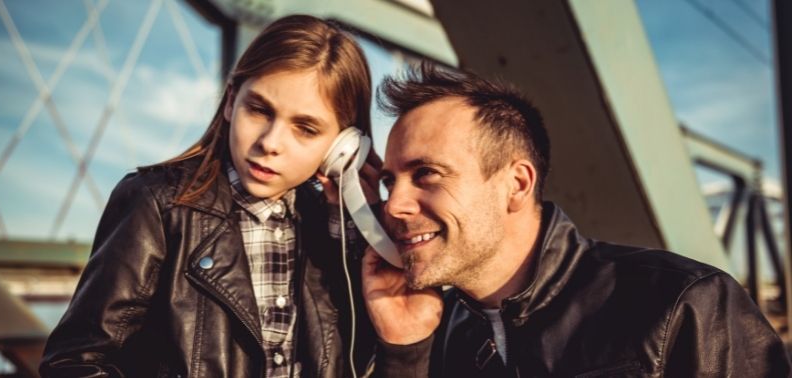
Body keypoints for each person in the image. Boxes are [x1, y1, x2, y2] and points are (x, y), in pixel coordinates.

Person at [362, 63, 791, 377]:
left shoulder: (682, 303)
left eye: (427, 175)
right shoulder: (428, 336)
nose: (394, 205)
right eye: (388, 182)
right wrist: (405, 355)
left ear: (516, 183)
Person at [40, 15, 380, 378]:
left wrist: (362, 225)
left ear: (344, 148)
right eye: (260, 110)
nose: (270, 143)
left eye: (305, 128)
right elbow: (75, 364)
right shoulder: (156, 203)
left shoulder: (334, 232)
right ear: (231, 101)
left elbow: (366, 359)